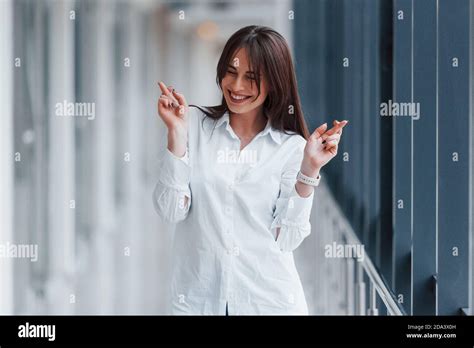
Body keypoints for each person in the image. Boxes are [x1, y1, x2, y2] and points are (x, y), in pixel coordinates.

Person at [153, 25, 348, 315]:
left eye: (251, 77)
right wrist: (176, 136)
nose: (236, 85)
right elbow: (171, 210)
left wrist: (309, 170)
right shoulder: (193, 125)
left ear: (274, 83)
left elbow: (287, 238)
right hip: (197, 302)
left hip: (268, 303)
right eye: (231, 72)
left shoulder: (291, 148)